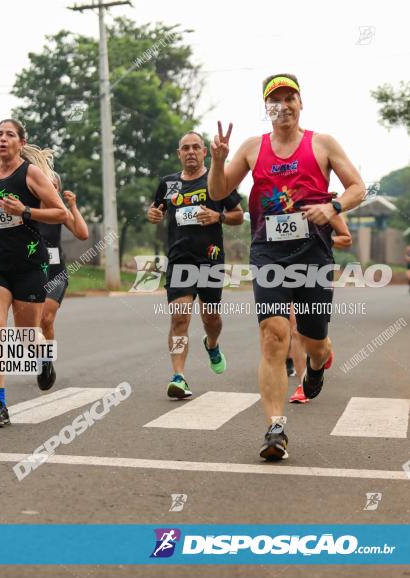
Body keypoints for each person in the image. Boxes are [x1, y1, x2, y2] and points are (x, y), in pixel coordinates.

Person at [208, 73, 365, 460]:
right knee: (274, 335)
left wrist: (333, 207)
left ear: (300, 102)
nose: (284, 105)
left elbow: (358, 187)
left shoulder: (322, 144)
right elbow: (216, 192)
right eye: (275, 100)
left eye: (290, 97)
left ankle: (316, 364)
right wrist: (217, 160)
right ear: (267, 109)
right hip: (270, 254)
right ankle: (275, 427)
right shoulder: (251, 148)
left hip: (313, 255)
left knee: (315, 339)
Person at [0, 119, 71, 428]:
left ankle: (43, 357)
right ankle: (0, 405)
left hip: (28, 266)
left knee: (26, 336)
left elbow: (60, 212)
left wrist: (25, 211)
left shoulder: (31, 174)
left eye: (10, 134)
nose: (3, 139)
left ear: (21, 142)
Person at [147, 131, 245, 399]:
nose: (190, 152)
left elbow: (239, 215)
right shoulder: (169, 184)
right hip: (180, 259)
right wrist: (153, 214)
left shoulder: (216, 180)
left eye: (196, 147)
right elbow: (156, 210)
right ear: (179, 154)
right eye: (185, 148)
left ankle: (211, 344)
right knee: (179, 317)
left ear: (204, 152)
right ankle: (178, 376)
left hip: (210, 259)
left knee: (210, 318)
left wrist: (218, 216)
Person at [19, 149, 90, 391]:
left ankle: (46, 363)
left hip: (54, 273)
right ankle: (42, 357)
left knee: (46, 319)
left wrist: (73, 206)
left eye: (56, 184)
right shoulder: (25, 209)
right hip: (28, 272)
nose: (53, 187)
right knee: (29, 331)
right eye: (49, 183)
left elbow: (82, 234)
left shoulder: (58, 211)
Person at [289, 212, 352, 404]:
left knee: (313, 331)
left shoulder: (324, 206)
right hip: (283, 267)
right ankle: (302, 383)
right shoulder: (278, 204)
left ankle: (322, 347)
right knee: (295, 328)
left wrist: (323, 240)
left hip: (317, 270)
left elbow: (346, 238)